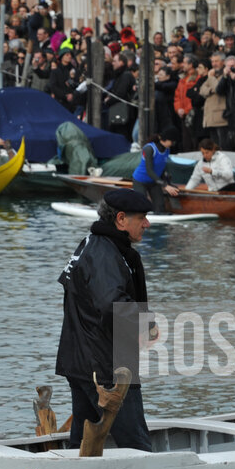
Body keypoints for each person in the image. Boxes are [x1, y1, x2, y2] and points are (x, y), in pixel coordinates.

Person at [56, 188, 156, 452]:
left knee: (82, 442)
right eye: (142, 217)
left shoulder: (96, 244)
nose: (147, 223)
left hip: (81, 361)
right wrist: (150, 323)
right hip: (106, 368)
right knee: (136, 445)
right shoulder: (104, 253)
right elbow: (111, 304)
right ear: (121, 219)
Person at [132, 126, 180, 213]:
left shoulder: (167, 150)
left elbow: (162, 169)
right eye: (172, 142)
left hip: (154, 182)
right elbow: (149, 171)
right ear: (166, 139)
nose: (173, 144)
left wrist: (169, 184)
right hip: (140, 180)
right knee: (141, 206)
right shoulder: (149, 149)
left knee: (160, 207)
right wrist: (165, 185)